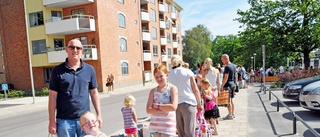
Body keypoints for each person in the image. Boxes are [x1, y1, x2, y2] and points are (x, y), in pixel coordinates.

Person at [48, 39, 102, 137]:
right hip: (65, 121)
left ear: (82, 51)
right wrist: (52, 122)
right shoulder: (57, 70)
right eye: (72, 47)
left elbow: (94, 93)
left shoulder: (89, 69)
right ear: (67, 49)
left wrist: (99, 115)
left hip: (86, 121)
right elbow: (52, 97)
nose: (75, 50)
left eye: (78, 48)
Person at [167, 55, 202, 137]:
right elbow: (195, 89)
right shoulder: (188, 72)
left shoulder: (169, 74)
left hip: (175, 105)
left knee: (180, 132)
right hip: (188, 103)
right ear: (181, 62)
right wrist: (199, 104)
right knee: (190, 132)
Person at [146, 64, 178, 137]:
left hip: (168, 125)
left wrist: (157, 106)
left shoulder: (172, 89)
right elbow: (148, 110)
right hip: (155, 125)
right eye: (156, 77)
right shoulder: (153, 91)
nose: (159, 79)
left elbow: (173, 107)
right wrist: (166, 107)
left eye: (161, 76)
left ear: (167, 75)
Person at [220, 54, 237, 120]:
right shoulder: (233, 66)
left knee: (228, 101)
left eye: (222, 60)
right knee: (231, 100)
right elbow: (235, 76)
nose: (222, 61)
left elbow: (226, 77)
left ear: (226, 59)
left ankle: (230, 115)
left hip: (228, 85)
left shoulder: (227, 67)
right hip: (232, 84)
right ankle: (232, 113)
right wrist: (235, 84)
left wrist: (222, 86)